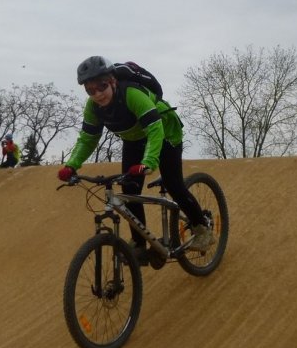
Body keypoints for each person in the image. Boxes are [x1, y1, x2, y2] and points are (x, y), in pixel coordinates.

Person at [57, 56, 216, 258]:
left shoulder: (131, 93)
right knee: (129, 189)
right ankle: (140, 244)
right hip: (134, 139)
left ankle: (202, 227)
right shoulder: (93, 107)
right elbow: (88, 139)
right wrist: (71, 166)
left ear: (113, 81)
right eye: (90, 90)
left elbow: (155, 128)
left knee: (173, 183)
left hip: (165, 131)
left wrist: (148, 163)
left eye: (102, 86)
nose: (97, 94)